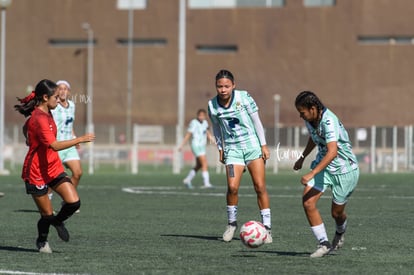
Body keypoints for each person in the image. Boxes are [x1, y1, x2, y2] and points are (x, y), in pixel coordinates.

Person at [14, 79, 95, 253]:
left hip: (53, 167)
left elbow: (25, 127)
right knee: (46, 215)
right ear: (45, 97)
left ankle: (57, 221)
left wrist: (27, 137)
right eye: (56, 97)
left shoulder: (47, 112)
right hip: (36, 172)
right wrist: (80, 139)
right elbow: (55, 145)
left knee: (74, 203)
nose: (58, 100)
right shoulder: (39, 118)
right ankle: (42, 240)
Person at [208, 69, 272, 243]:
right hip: (232, 150)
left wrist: (263, 145)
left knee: (259, 186)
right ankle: (231, 225)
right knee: (232, 187)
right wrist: (220, 147)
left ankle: (267, 229)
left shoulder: (244, 97)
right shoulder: (212, 105)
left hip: (252, 147)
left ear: (233, 86)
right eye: (219, 86)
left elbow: (256, 121)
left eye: (227, 86)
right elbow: (216, 128)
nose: (223, 90)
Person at [293, 91, 359, 258]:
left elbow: (332, 153)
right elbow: (313, 137)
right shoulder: (311, 119)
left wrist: (311, 173)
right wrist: (302, 157)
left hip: (344, 170)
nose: (301, 116)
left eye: (302, 113)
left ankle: (340, 231)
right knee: (308, 202)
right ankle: (323, 243)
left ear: (313, 108)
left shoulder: (329, 120)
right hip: (324, 168)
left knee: (336, 213)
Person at [51, 80, 82, 201]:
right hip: (57, 145)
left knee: (77, 173)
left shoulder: (72, 105)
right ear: (56, 91)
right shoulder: (53, 105)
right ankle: (47, 198)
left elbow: (70, 124)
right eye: (60, 88)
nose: (63, 91)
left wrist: (74, 138)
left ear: (69, 92)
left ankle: (68, 200)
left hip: (69, 145)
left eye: (65, 89)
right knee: (53, 176)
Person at [178, 109, 214, 189]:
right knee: (204, 163)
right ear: (197, 116)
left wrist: (214, 142)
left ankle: (187, 179)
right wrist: (182, 145)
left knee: (199, 165)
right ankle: (206, 183)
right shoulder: (194, 123)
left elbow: (208, 134)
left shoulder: (205, 123)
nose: (201, 117)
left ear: (205, 116)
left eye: (203, 116)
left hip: (202, 146)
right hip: (196, 145)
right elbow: (188, 134)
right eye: (200, 115)